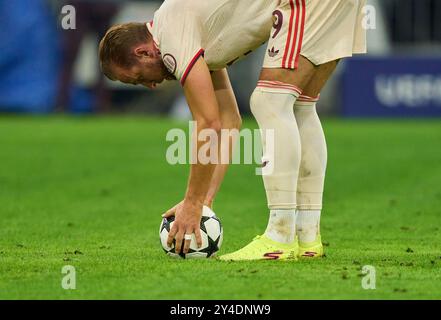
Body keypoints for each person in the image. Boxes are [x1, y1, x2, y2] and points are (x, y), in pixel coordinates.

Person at [98, 0, 366, 260]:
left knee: (270, 101)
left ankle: (280, 237)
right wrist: (204, 201)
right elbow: (228, 120)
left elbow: (208, 124)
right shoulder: (186, 28)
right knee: (301, 107)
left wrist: (192, 204)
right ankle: (308, 237)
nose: (150, 85)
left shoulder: (171, 38)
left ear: (143, 52)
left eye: (138, 78)